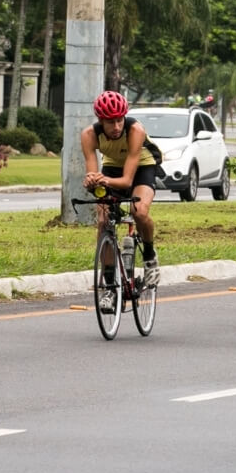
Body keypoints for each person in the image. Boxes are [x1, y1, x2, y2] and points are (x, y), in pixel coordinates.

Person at [81, 91, 163, 311]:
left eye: (120, 120)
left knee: (139, 210)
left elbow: (127, 181)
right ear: (100, 121)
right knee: (103, 220)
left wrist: (102, 179)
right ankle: (109, 287)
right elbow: (93, 174)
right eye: (110, 122)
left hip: (143, 166)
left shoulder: (135, 130)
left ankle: (149, 255)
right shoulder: (89, 135)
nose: (116, 126)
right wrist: (91, 181)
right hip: (112, 167)